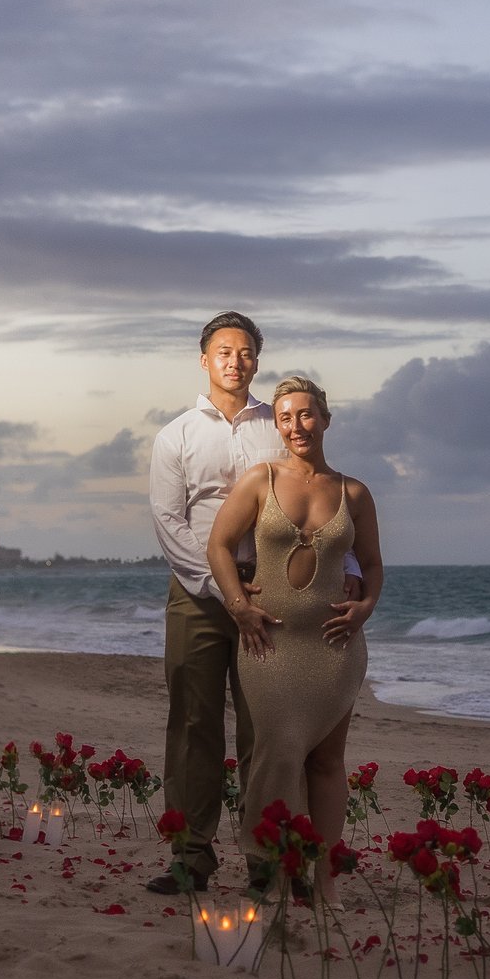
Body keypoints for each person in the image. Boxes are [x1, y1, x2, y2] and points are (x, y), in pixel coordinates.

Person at [146, 312, 363, 893]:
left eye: (245, 352)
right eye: (223, 351)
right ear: (204, 359)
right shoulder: (177, 435)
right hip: (199, 593)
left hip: (276, 597)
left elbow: (318, 500)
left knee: (268, 731)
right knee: (194, 724)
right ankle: (192, 857)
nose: (234, 361)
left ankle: (270, 859)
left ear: (257, 362)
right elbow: (171, 524)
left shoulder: (281, 422)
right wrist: (227, 594)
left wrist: (351, 572)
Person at [202, 376, 382, 899]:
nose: (296, 426)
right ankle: (273, 864)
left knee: (327, 761)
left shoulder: (353, 492)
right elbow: (219, 545)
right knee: (277, 753)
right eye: (285, 417)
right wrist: (239, 607)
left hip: (335, 646)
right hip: (270, 644)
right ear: (276, 424)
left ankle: (323, 879)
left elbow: (371, 565)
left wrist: (366, 607)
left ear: (325, 419)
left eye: (306, 415)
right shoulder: (261, 479)